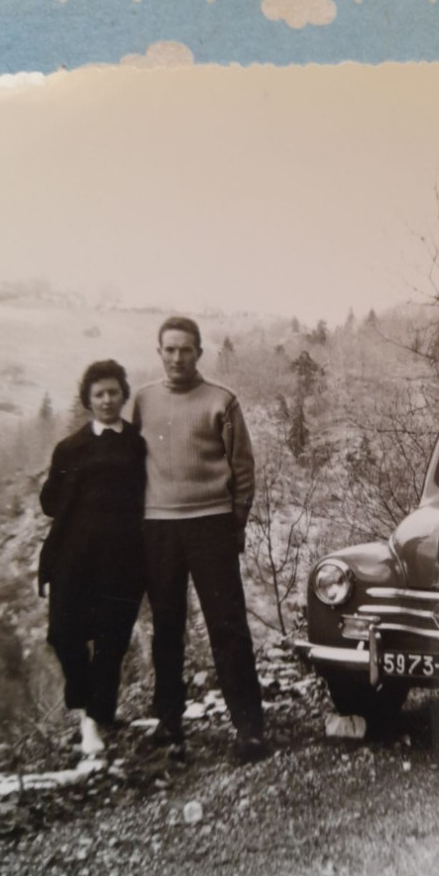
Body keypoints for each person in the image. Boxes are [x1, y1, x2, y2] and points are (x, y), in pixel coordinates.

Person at [133, 317, 268, 764]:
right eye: (169, 350)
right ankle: (170, 723)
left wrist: (236, 522)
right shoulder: (143, 401)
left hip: (211, 524)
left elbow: (243, 469)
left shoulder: (222, 401)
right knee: (167, 628)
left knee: (227, 627)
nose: (176, 358)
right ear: (159, 352)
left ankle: (249, 729)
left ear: (198, 353)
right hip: (158, 528)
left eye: (185, 350)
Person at [39, 360, 146, 757]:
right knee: (64, 635)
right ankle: (84, 703)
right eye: (98, 394)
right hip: (74, 557)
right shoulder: (70, 447)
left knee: (110, 642)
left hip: (124, 560)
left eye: (113, 392)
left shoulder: (137, 444)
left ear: (123, 395)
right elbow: (50, 502)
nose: (106, 400)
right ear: (87, 399)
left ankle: (94, 721)